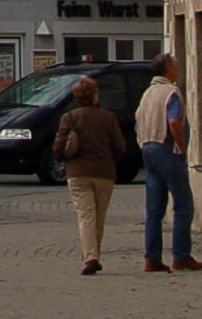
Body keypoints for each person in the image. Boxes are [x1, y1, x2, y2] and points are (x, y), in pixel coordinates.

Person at [136, 50, 202, 273]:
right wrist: (182, 147)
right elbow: (174, 122)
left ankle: (151, 257)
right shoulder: (170, 92)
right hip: (166, 148)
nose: (179, 69)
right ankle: (181, 256)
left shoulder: (148, 93)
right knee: (183, 204)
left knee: (155, 208)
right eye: (175, 65)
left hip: (148, 147)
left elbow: (137, 121)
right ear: (168, 70)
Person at [53, 75, 125, 275]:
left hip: (77, 173)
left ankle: (90, 257)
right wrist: (111, 159)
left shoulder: (69, 117)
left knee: (86, 216)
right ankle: (94, 256)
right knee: (99, 218)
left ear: (77, 97)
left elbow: (58, 146)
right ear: (94, 95)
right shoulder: (108, 117)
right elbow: (120, 146)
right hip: (104, 173)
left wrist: (64, 158)